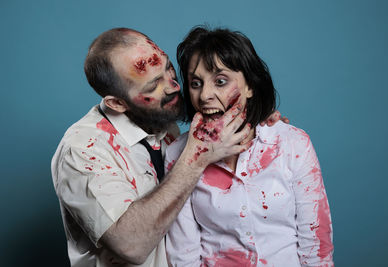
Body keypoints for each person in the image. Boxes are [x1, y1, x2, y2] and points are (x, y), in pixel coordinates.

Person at [51, 27, 283, 267]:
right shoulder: (82, 149)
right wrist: (198, 157)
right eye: (153, 86)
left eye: (168, 68)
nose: (174, 86)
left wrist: (255, 121)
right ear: (117, 103)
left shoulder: (165, 128)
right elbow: (131, 246)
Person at [165, 26, 334, 267]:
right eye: (196, 83)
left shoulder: (293, 144)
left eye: (220, 81)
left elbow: (316, 244)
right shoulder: (177, 156)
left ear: (250, 87)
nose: (205, 95)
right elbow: (184, 255)